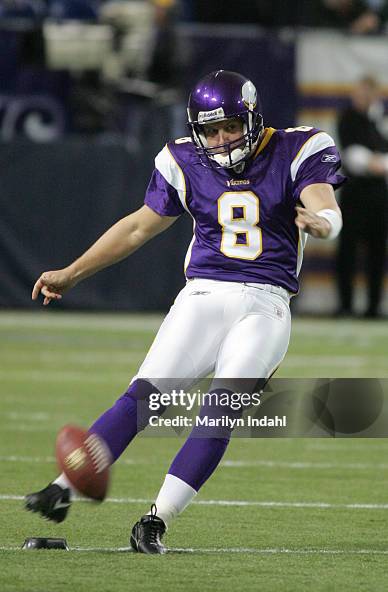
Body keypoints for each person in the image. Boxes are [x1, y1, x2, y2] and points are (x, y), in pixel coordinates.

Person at [25, 70, 344, 553]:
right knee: (143, 398)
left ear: (254, 119)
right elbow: (138, 228)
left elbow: (323, 204)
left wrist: (323, 224)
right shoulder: (181, 158)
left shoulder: (298, 147)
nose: (221, 140)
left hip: (266, 304)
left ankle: (156, 520)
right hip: (203, 296)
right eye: (211, 131)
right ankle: (61, 490)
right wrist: (72, 273)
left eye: (231, 127)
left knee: (220, 415)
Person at [336, 76, 388, 318]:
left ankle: (373, 307)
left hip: (379, 194)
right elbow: (353, 157)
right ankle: (345, 305)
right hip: (355, 192)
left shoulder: (381, 118)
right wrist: (374, 162)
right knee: (347, 251)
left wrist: (377, 162)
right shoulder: (348, 117)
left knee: (377, 251)